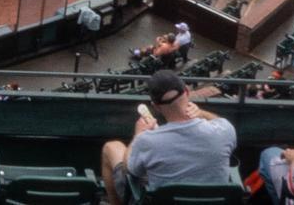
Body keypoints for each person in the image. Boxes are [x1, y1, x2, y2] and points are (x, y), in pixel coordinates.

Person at [101, 72, 239, 205]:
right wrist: (201, 113)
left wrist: (138, 135)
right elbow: (221, 121)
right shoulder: (224, 130)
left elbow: (130, 170)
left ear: (155, 106)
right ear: (187, 92)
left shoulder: (146, 141)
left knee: (111, 147)